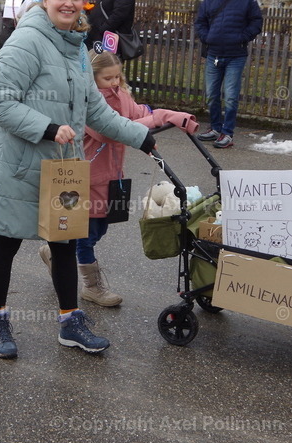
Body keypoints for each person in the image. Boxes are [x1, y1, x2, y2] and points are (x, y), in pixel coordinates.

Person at [0, 0, 156, 359]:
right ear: (46, 0)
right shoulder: (27, 41)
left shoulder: (76, 48)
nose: (69, 4)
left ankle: (70, 322)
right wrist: (48, 127)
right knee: (6, 242)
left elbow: (96, 113)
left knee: (65, 245)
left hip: (62, 169)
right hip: (20, 165)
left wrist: (140, 134)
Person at [39, 48, 196, 306]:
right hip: (85, 177)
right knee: (86, 235)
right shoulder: (86, 101)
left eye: (117, 77)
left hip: (112, 178)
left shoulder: (121, 95)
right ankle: (92, 287)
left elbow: (137, 114)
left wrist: (169, 116)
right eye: (107, 78)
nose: (114, 83)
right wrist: (149, 124)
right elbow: (111, 132)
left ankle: (54, 253)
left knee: (100, 228)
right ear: (92, 77)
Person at [194, 0, 263, 149]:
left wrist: (243, 37)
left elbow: (256, 21)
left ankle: (227, 133)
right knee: (212, 95)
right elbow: (200, 22)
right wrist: (207, 37)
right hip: (213, 55)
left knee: (231, 97)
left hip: (236, 56)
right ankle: (215, 128)